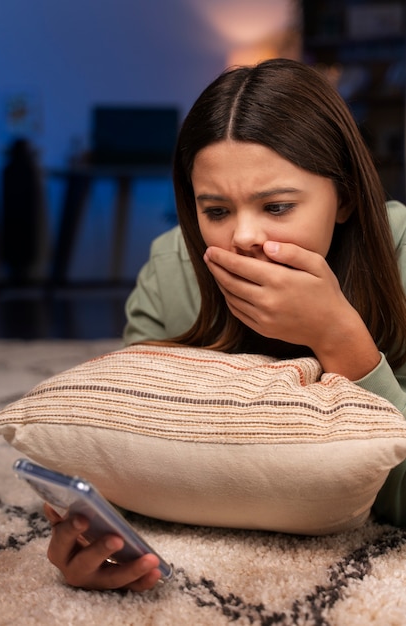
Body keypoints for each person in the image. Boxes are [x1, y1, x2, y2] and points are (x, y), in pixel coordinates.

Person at [45, 57, 406, 591]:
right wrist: (100, 532)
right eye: (215, 211)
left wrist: (338, 336)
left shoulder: (398, 257)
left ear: (346, 197)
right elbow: (132, 456)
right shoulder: (172, 275)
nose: (243, 238)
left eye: (277, 207)